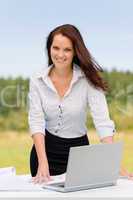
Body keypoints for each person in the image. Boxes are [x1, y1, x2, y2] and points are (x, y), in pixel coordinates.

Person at [28, 24, 133, 184]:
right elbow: (36, 120)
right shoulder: (37, 79)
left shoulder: (88, 79)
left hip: (78, 154)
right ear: (49, 48)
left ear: (75, 51)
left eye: (67, 50)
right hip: (44, 154)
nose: (60, 55)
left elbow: (102, 122)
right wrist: (43, 162)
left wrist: (115, 164)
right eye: (55, 48)